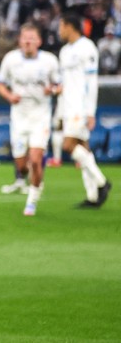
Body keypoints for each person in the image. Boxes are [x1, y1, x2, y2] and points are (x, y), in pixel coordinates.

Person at [0, 24, 60, 216]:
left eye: (32, 38)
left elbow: (59, 85)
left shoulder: (49, 60)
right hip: (19, 117)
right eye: (25, 38)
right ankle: (31, 177)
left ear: (39, 41)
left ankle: (32, 201)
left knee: (36, 159)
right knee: (22, 166)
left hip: (40, 116)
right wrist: (9, 96)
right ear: (20, 40)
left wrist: (52, 90)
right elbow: (0, 84)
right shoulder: (11, 59)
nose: (28, 41)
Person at [57, 14, 111, 207]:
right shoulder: (64, 51)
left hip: (80, 106)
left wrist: (90, 111)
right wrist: (60, 111)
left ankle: (102, 182)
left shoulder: (87, 47)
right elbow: (64, 84)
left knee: (68, 146)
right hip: (68, 106)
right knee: (83, 148)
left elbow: (91, 82)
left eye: (61, 26)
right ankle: (93, 196)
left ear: (70, 27)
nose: (59, 31)